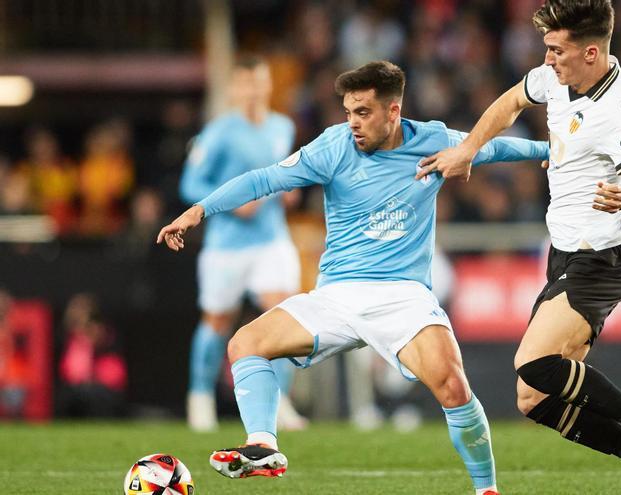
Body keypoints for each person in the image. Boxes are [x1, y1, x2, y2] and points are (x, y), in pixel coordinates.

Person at [158, 60, 549, 495]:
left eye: (362, 112)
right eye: (348, 112)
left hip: (402, 296)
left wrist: (550, 151)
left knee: (454, 385)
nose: (353, 123)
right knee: (244, 343)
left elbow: (492, 147)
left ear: (393, 111)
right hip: (337, 295)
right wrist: (198, 211)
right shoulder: (333, 147)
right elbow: (265, 180)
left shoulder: (433, 141)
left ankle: (487, 490)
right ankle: (263, 445)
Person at [418, 2, 621, 494]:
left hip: (599, 261)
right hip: (563, 257)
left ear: (591, 52)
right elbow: (508, 104)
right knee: (533, 398)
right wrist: (468, 150)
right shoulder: (554, 79)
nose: (546, 60)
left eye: (556, 50)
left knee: (533, 364)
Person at [179, 56, 306, 432]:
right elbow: (190, 185)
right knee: (217, 323)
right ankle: (199, 400)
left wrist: (288, 190)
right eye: (246, 84)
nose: (253, 91)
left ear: (269, 86)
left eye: (259, 83)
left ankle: (279, 403)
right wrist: (235, 206)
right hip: (227, 246)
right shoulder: (218, 132)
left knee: (283, 319)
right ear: (235, 89)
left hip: (272, 240)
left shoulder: (282, 127)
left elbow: (283, 173)